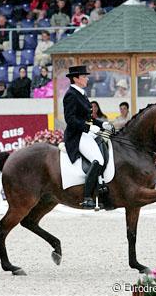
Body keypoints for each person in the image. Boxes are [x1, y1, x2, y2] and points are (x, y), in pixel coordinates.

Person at [63, 65, 113, 209]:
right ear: (76, 78)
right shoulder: (71, 95)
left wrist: (103, 125)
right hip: (77, 136)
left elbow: (88, 117)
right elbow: (70, 120)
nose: (87, 78)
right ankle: (87, 197)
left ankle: (102, 187)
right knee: (98, 160)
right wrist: (89, 127)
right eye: (84, 76)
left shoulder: (82, 93)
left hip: (86, 133)